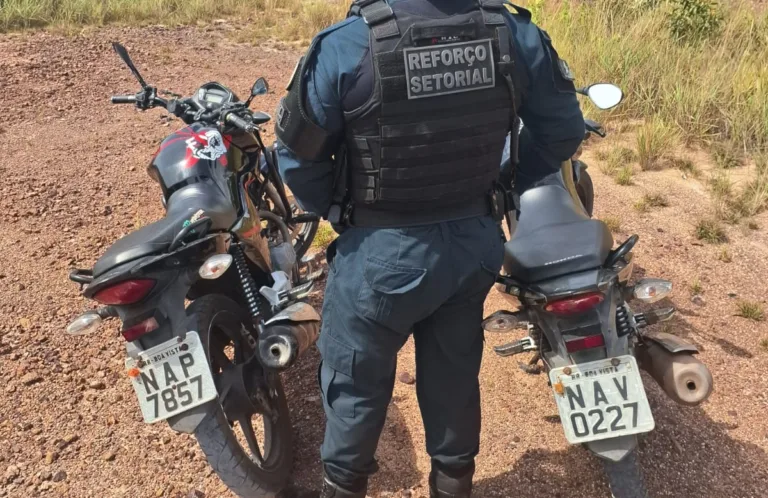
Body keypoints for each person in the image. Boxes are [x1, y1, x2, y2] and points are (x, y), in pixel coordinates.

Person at [274, 0, 584, 496]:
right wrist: (505, 185)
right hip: (471, 248)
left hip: (379, 254)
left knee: (354, 384)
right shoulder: (514, 36)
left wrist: (341, 211)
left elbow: (296, 159)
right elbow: (564, 130)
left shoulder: (347, 45)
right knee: (454, 374)